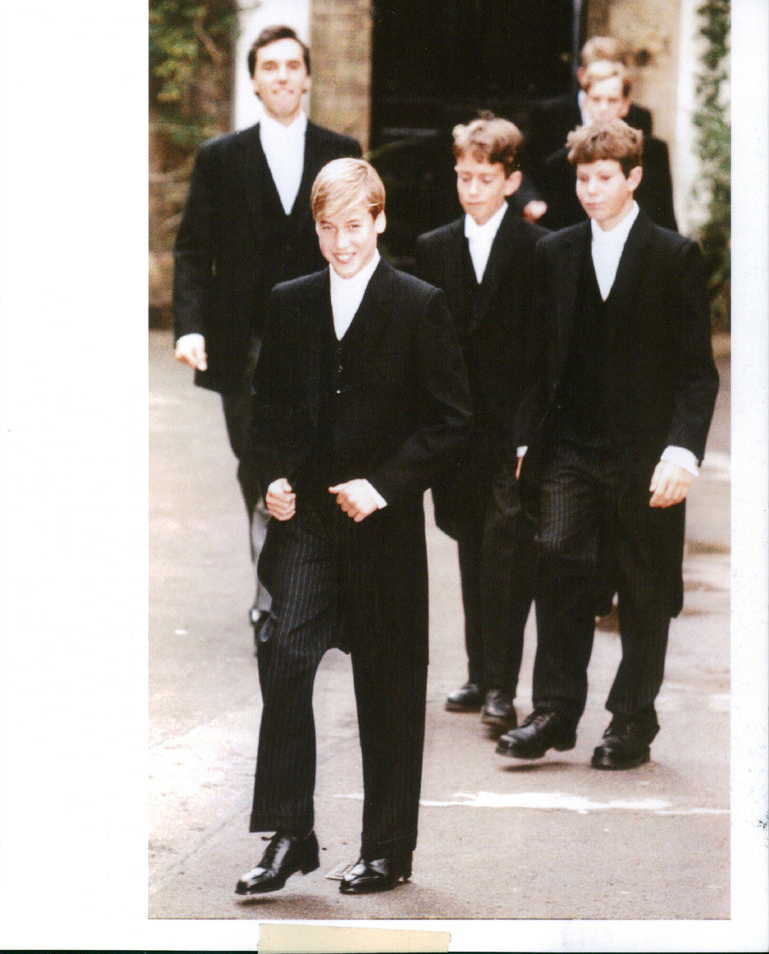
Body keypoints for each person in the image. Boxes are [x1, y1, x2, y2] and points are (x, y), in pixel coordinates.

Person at [235, 158, 471, 896]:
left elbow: (452, 421)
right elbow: (264, 410)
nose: (341, 243)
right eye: (328, 229)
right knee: (283, 655)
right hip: (305, 519)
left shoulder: (417, 303)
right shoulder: (290, 302)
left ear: (381, 220)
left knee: (390, 682)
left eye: (355, 227)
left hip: (380, 526)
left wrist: (386, 486)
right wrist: (268, 477)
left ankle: (388, 850)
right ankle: (290, 833)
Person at [497, 120, 718, 769]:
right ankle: (555, 710)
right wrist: (522, 438)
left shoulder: (674, 256)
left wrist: (682, 453)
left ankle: (631, 721)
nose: (591, 191)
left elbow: (696, 373)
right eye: (582, 180)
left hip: (646, 455)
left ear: (634, 178)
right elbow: (538, 360)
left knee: (642, 585)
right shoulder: (555, 253)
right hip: (569, 446)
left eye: (603, 179)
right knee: (556, 555)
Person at [173, 25, 361, 642]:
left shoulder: (341, 151)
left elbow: (361, 241)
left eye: (291, 66)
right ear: (254, 80)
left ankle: (318, 596)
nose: (281, 76)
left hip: (323, 339)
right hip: (243, 344)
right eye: (269, 67)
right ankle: (272, 594)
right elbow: (194, 252)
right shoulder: (220, 158)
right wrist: (192, 327)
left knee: (324, 461)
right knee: (259, 466)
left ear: (307, 77)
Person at [415, 115, 546, 736]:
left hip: (509, 432)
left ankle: (502, 684)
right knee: (469, 545)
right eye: (463, 176)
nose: (471, 189)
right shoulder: (435, 246)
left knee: (506, 554)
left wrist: (528, 430)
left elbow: (542, 351)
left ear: (511, 181)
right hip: (456, 431)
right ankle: (476, 670)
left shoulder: (536, 247)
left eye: (484, 178)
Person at [517, 35, 653, 223]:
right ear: (582, 75)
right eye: (599, 72)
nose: (604, 107)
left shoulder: (638, 118)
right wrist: (530, 201)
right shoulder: (550, 113)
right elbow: (524, 164)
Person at [538, 60, 677, 231]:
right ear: (585, 103)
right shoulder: (561, 162)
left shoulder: (653, 152)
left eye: (612, 100)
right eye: (596, 99)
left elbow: (665, 217)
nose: (603, 108)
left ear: (625, 105)